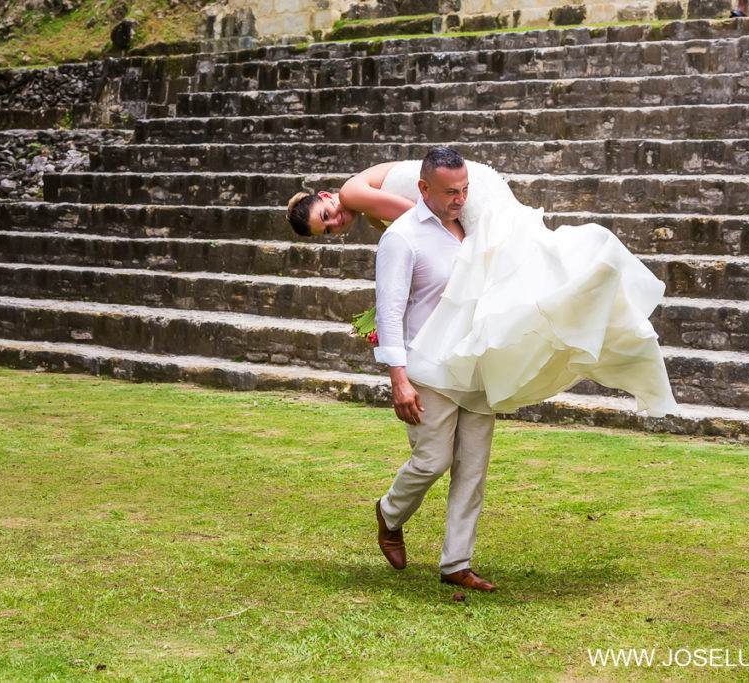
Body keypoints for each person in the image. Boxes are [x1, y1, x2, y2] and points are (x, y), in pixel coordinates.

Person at [286, 152, 679, 419]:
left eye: (327, 214)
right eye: (329, 229)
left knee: (515, 269)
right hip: (463, 185)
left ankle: (593, 280)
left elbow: (424, 221)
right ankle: (592, 292)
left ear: (326, 196)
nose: (336, 222)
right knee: (524, 266)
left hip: (455, 197)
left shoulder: (353, 192)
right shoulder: (362, 192)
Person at [370, 147, 498, 591]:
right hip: (428, 366)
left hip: (477, 363)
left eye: (464, 189)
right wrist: (399, 380)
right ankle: (389, 514)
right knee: (432, 461)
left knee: (473, 466)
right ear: (423, 188)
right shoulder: (402, 238)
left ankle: (456, 564)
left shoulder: (476, 226)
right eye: (450, 192)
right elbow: (388, 312)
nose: (460, 198)